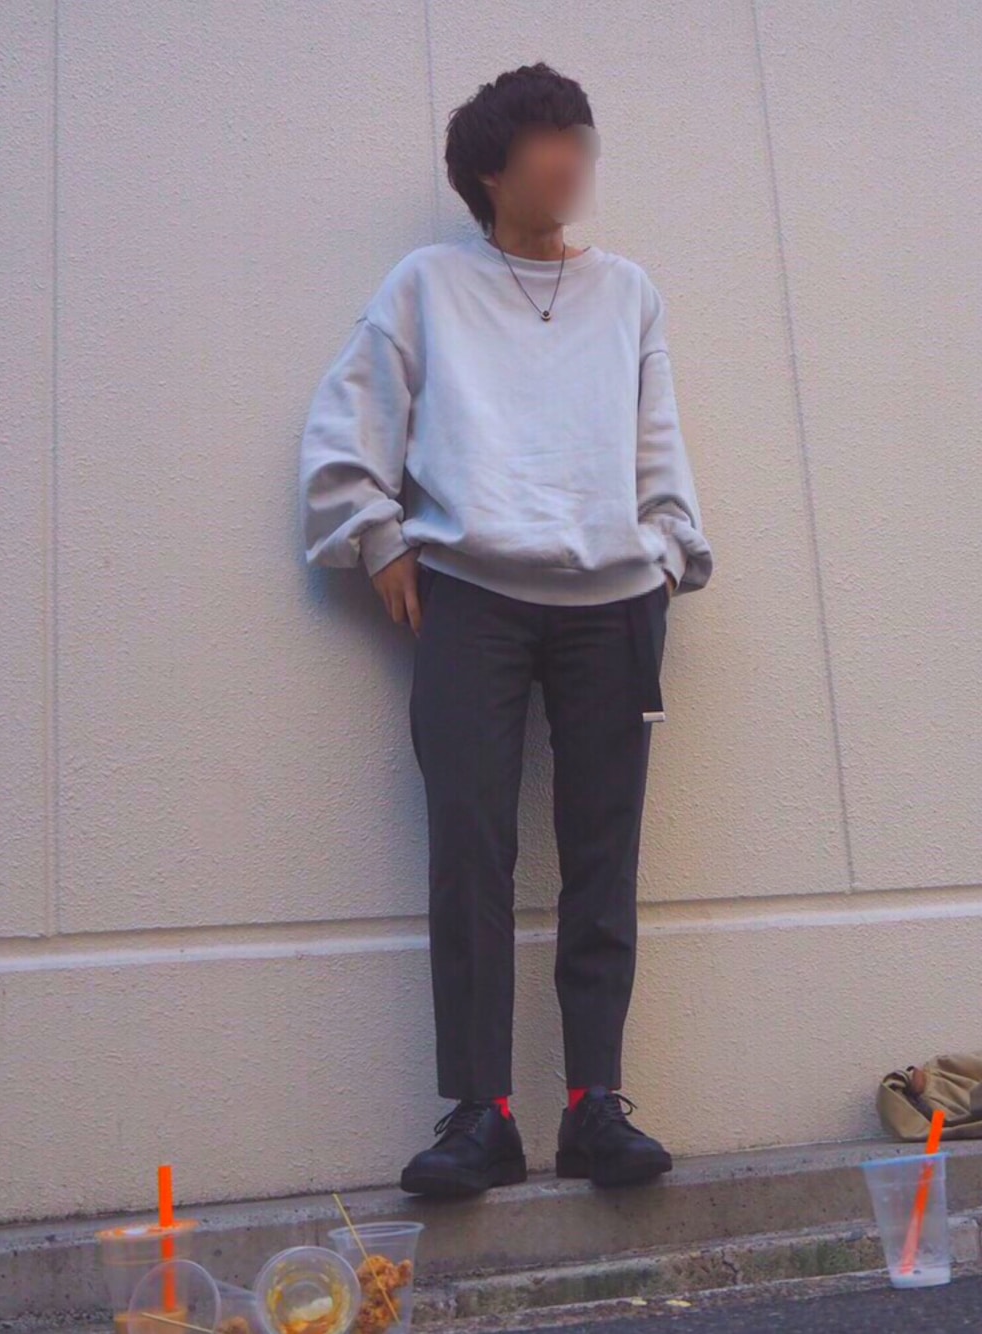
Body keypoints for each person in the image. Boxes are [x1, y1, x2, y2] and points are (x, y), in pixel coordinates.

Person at [299, 61, 714, 1198]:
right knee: (469, 850)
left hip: (613, 605)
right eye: (550, 139)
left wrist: (666, 551)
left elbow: (656, 433)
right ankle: (479, 1112)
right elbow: (351, 414)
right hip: (469, 599)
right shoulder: (430, 283)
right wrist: (376, 536)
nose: (575, 157)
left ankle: (594, 1106)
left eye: (582, 135)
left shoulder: (627, 291)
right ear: (491, 168)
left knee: (603, 856)